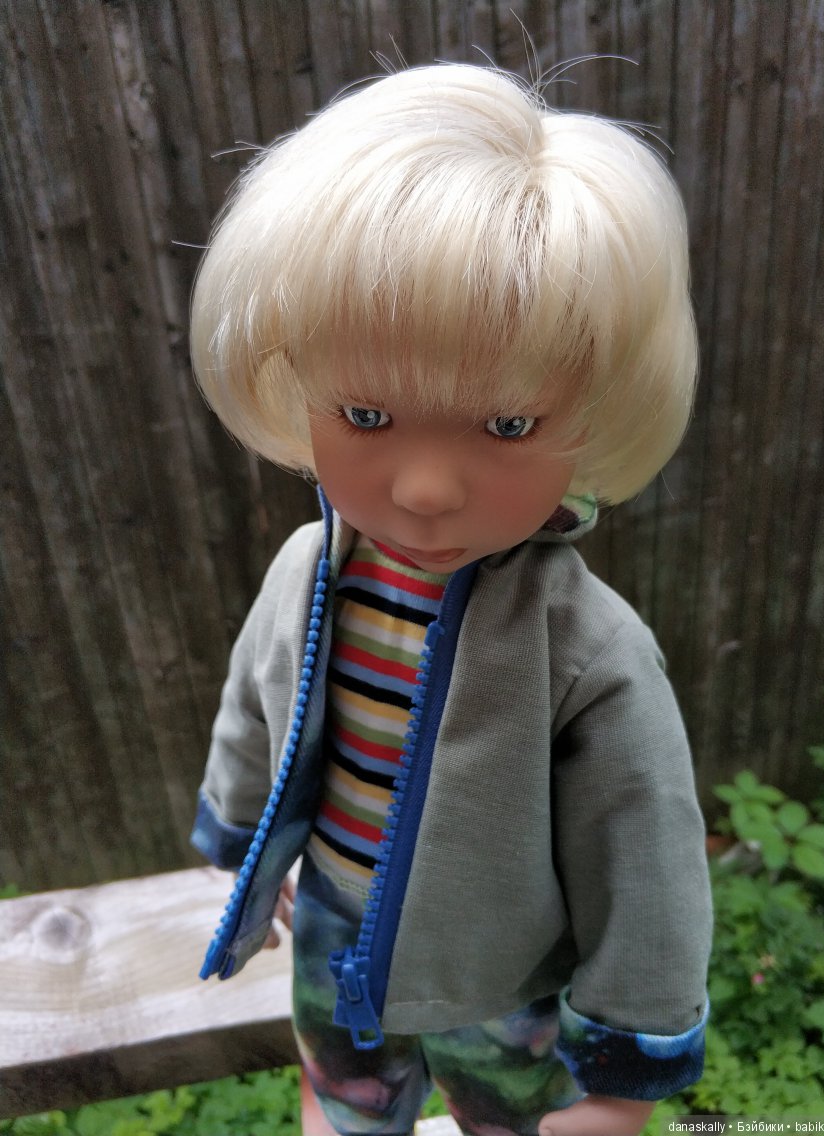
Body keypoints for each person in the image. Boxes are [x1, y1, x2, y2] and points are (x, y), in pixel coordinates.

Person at [188, 63, 712, 1136]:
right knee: (340, 1104)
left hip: (499, 974)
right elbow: (254, 704)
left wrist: (624, 1066)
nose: (425, 488)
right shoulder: (307, 572)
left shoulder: (585, 648)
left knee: (506, 1121)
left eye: (508, 423)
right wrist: (245, 837)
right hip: (333, 931)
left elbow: (645, 854)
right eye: (365, 414)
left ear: (597, 408)